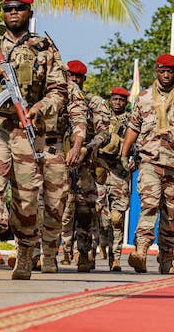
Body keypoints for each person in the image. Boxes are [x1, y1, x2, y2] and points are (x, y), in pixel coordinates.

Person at [0, 0, 68, 280]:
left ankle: (24, 254)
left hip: (27, 130)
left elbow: (59, 92)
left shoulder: (44, 49)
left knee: (26, 195)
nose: (12, 13)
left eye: (19, 8)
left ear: (29, 13)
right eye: (8, 8)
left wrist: (38, 107)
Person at [121, 54, 174, 274]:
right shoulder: (144, 97)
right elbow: (133, 127)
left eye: (170, 71)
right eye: (162, 71)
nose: (166, 75)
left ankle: (166, 259)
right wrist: (124, 152)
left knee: (170, 214)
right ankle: (140, 250)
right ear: (156, 72)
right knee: (149, 204)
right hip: (150, 161)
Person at [33, 66, 88, 273]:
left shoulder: (70, 88)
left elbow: (79, 118)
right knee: (28, 203)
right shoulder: (31, 83)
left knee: (54, 205)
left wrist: (76, 146)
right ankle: (29, 253)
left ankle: (48, 255)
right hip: (27, 147)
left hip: (55, 149)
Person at [61, 60, 110, 272]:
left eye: (77, 77)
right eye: (69, 76)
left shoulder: (94, 103)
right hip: (57, 162)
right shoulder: (55, 98)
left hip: (84, 166)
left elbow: (105, 133)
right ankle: (47, 254)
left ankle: (83, 253)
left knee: (84, 212)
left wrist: (87, 149)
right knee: (53, 209)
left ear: (83, 80)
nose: (72, 80)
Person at [96, 87, 132, 271]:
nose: (117, 102)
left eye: (121, 100)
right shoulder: (100, 117)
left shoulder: (132, 120)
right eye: (115, 99)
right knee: (101, 216)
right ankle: (101, 242)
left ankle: (115, 258)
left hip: (120, 172)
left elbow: (138, 143)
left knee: (117, 218)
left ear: (126, 102)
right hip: (101, 170)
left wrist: (134, 159)